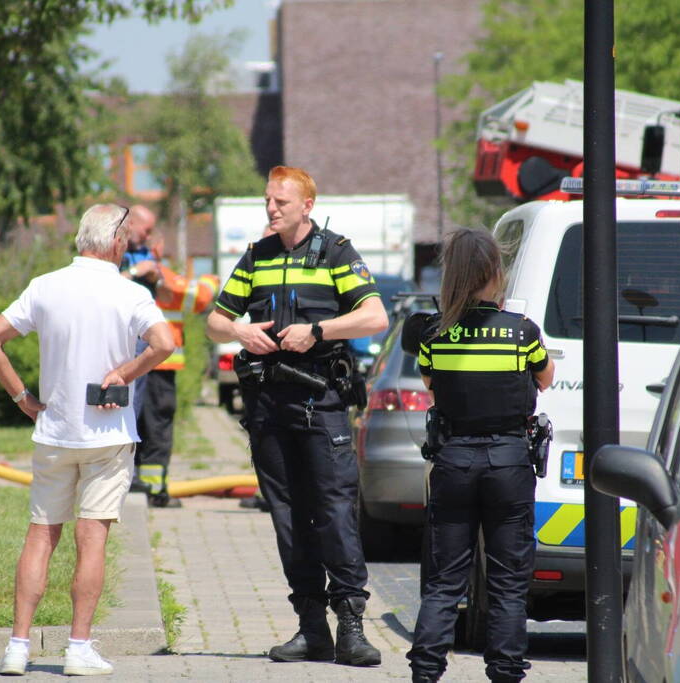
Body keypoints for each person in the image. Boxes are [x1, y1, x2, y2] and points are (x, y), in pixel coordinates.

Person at [0, 204, 174, 677]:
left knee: (41, 535)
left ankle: (17, 647)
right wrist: (124, 372)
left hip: (54, 431)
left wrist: (22, 398)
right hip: (108, 436)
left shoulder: (45, 286)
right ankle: (78, 648)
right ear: (117, 242)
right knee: (92, 540)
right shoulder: (130, 293)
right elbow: (165, 344)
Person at [206, 166, 389, 667]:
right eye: (268, 200)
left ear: (307, 205)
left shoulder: (336, 252)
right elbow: (215, 321)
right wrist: (240, 332)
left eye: (281, 202)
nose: (271, 209)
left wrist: (319, 331)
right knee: (288, 517)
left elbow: (375, 316)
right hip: (268, 406)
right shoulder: (257, 255)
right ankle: (312, 629)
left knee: (334, 512)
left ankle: (351, 628)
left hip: (321, 402)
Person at [405, 228, 555, 683]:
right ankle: (505, 672)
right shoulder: (521, 332)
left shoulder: (436, 334)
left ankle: (426, 672)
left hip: (454, 461)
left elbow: (431, 384)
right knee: (508, 583)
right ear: (495, 272)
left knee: (444, 581)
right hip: (509, 462)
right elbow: (545, 378)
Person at [131, 229, 219, 508]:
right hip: (158, 365)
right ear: (157, 246)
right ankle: (151, 489)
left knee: (140, 424)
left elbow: (198, 298)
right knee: (153, 427)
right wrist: (212, 279)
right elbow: (201, 297)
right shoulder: (157, 277)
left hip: (137, 364)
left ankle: (143, 485)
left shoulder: (137, 277)